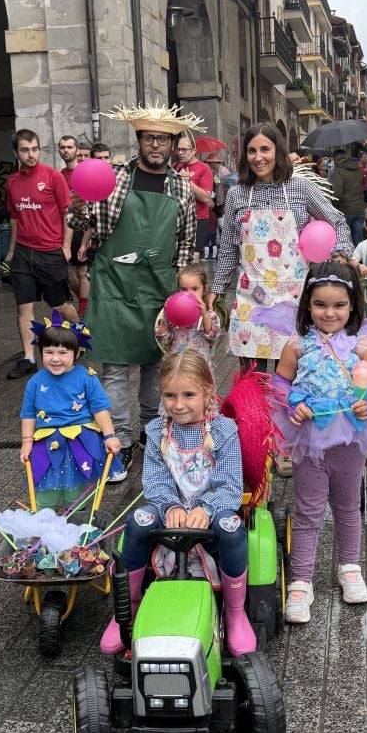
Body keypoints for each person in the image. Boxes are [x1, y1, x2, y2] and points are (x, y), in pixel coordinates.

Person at [99, 350, 255, 657]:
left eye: (188, 394)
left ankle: (236, 614)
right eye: (170, 395)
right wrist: (170, 506)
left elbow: (231, 485)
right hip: (169, 509)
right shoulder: (158, 430)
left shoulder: (224, 431)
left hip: (212, 509)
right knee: (138, 521)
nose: (178, 404)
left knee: (232, 527)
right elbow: (155, 481)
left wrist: (205, 508)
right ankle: (125, 611)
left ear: (207, 391)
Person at [68, 103, 198, 471]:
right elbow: (79, 218)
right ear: (139, 141)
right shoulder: (113, 177)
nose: (155, 145)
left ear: (173, 144)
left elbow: (186, 243)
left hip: (159, 287)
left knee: (155, 366)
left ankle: (152, 434)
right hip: (113, 284)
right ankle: (121, 441)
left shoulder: (181, 187)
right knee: (113, 368)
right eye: (149, 138)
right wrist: (77, 204)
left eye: (163, 139)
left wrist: (186, 289)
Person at [271, 261, 367, 623]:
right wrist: (295, 405)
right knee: (307, 511)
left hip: (350, 440)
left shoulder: (364, 345)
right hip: (310, 442)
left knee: (348, 507)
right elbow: (280, 386)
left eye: (339, 305)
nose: (330, 312)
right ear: (308, 304)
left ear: (353, 305)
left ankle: (349, 567)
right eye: (321, 304)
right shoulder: (296, 345)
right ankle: (301, 581)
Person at [209, 122, 352, 373]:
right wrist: (218, 287)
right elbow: (229, 249)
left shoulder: (301, 188)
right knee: (253, 381)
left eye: (265, 149)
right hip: (250, 300)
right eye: (252, 151)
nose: (258, 157)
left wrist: (341, 252)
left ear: (278, 150)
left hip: (293, 300)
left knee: (292, 377)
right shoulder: (237, 194)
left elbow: (338, 221)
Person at [19, 313, 124, 508]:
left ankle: (76, 530)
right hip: (46, 442)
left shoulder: (87, 377)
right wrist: (27, 441)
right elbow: (29, 414)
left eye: (63, 353)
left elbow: (100, 410)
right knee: (44, 495)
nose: (55, 359)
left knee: (76, 495)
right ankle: (44, 533)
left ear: (76, 353)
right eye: (49, 352)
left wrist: (109, 435)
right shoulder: (35, 381)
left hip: (80, 441)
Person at [4, 129, 78, 380]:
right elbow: (15, 217)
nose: (31, 154)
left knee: (60, 304)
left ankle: (79, 334)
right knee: (24, 306)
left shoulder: (52, 176)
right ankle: (27, 358)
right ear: (16, 152)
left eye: (34, 149)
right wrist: (12, 251)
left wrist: (66, 247)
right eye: (25, 150)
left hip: (50, 251)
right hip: (24, 253)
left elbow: (67, 213)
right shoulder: (12, 182)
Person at [154, 265, 221, 370]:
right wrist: (166, 315)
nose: (189, 294)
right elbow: (162, 337)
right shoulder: (173, 312)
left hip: (199, 369)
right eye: (184, 289)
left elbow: (212, 335)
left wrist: (204, 314)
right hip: (176, 367)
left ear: (204, 289)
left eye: (195, 289)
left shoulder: (209, 314)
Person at [58, 133, 90, 319]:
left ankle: (84, 310)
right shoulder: (59, 175)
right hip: (64, 229)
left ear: (76, 150)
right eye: (63, 148)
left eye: (70, 147)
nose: (66, 150)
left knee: (82, 271)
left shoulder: (84, 173)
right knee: (69, 276)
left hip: (81, 228)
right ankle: (84, 302)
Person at [175, 131, 214, 260]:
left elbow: (205, 198)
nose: (180, 153)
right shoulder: (176, 166)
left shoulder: (204, 168)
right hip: (179, 218)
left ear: (194, 150)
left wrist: (188, 181)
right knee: (177, 257)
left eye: (184, 150)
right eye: (178, 149)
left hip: (198, 219)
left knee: (193, 258)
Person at [331, 146, 366, 246]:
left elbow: (337, 193)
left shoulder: (339, 171)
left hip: (346, 210)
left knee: (345, 239)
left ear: (336, 160)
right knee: (358, 238)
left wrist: (334, 205)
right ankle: (359, 260)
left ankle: (348, 261)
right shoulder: (358, 169)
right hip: (360, 209)